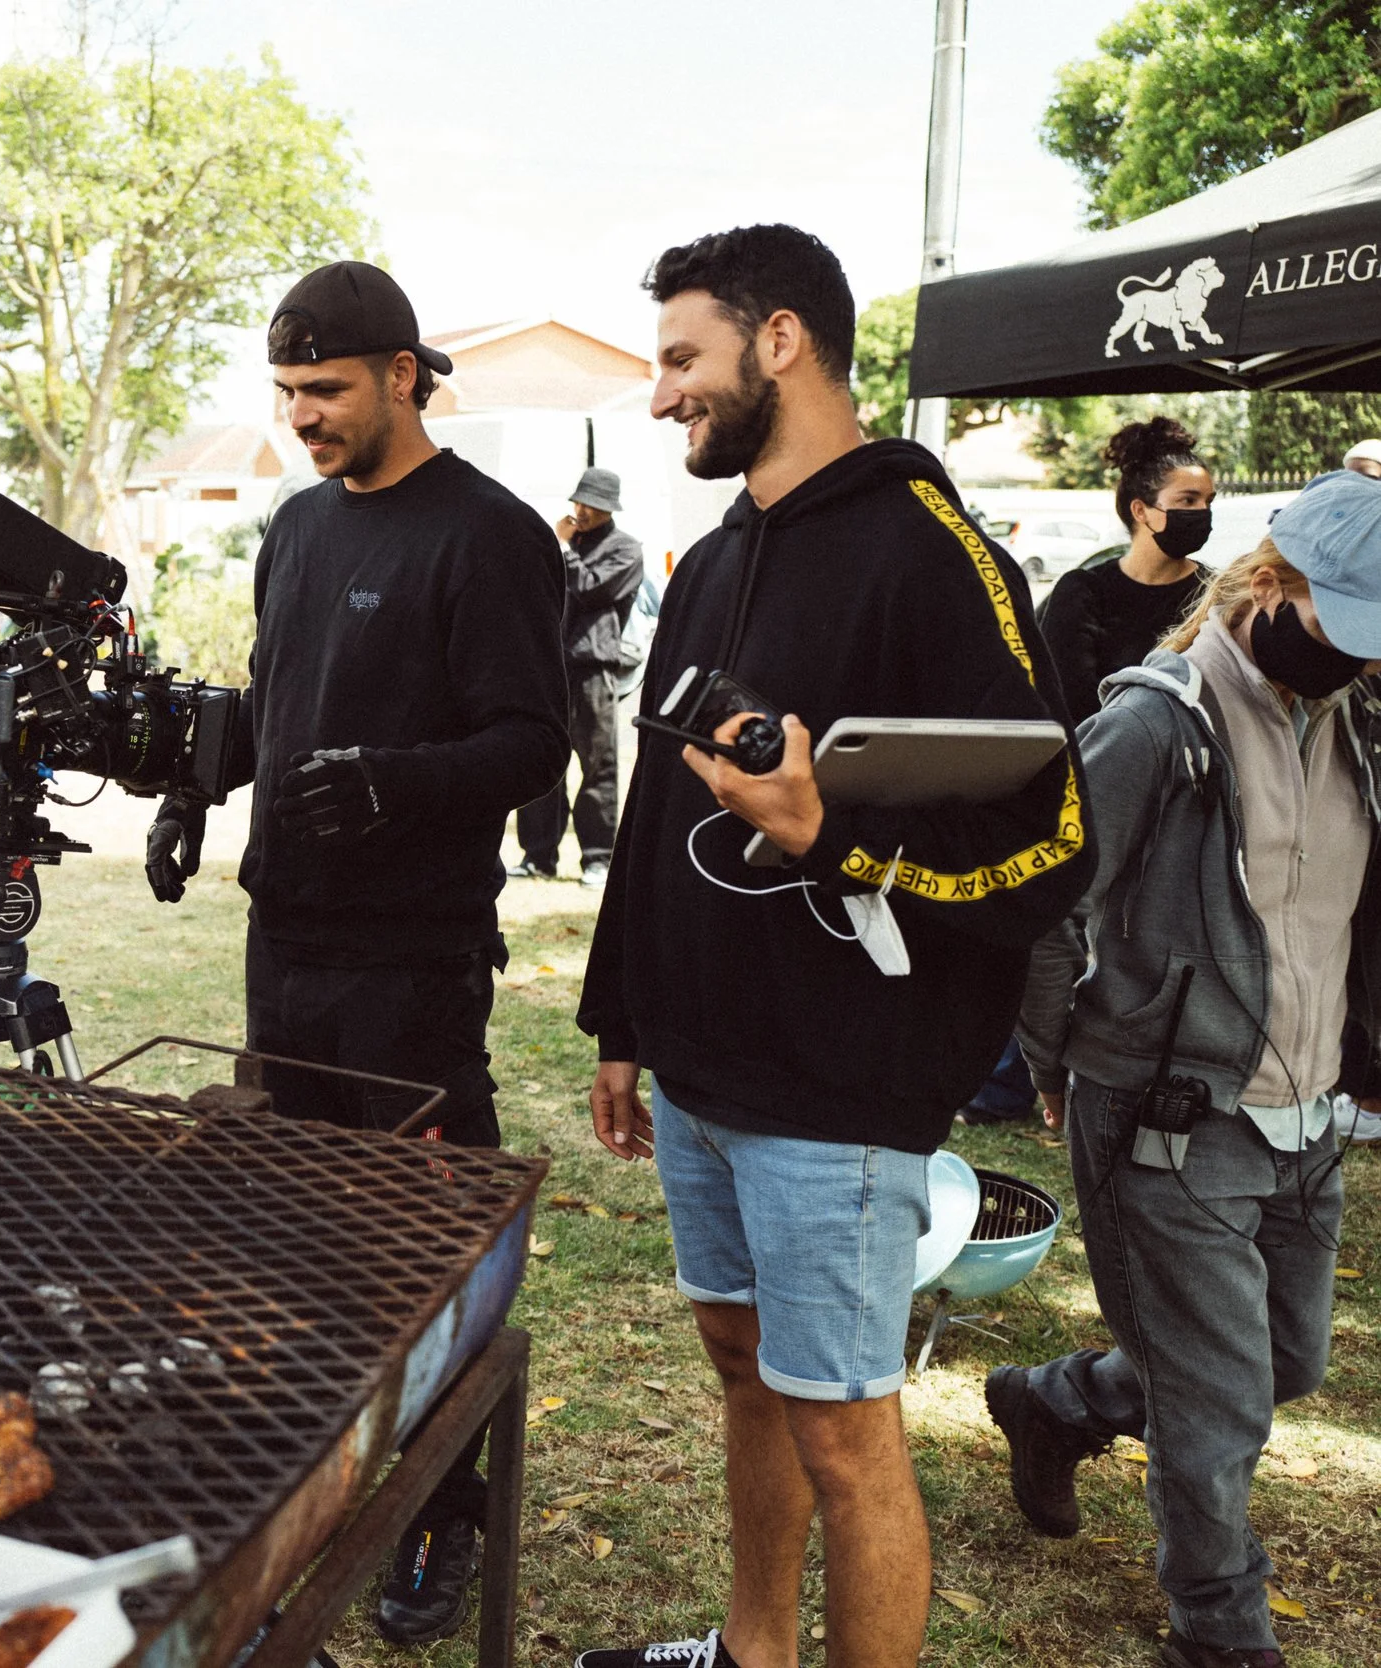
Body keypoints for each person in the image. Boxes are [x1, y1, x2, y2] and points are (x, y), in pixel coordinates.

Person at [573, 224, 1092, 1668]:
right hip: (703, 1074)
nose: (665, 394)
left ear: (780, 339)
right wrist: (625, 1023)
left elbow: (1057, 842)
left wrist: (835, 840)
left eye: (684, 359)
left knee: (848, 1431)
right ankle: (752, 1655)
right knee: (747, 1378)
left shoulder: (938, 554)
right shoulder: (714, 556)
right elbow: (659, 826)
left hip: (844, 1089)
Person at [146, 258, 566, 1646]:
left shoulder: (490, 534)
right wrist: (193, 795)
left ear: (405, 375)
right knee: (289, 1246)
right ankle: (309, 1489)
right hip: (290, 945)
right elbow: (274, 696)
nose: (303, 417)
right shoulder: (297, 526)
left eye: (324, 391)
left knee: (421, 1261)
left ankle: (444, 1522)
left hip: (413, 962)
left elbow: (530, 741)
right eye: (284, 393)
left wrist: (397, 783)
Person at [991, 473, 1381, 1668]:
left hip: (1308, 1114)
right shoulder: (1155, 724)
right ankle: (1219, 1633)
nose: (1355, 661)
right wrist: (1058, 1058)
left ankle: (1059, 1401)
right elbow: (1051, 902)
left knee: (1284, 1363)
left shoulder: (1355, 719)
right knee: (1219, 1415)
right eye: (1340, 631)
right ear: (1268, 585)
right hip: (1170, 1115)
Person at [1035, 417, 1214, 727]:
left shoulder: (1215, 592)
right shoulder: (1083, 593)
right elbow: (1066, 704)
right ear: (1140, 510)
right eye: (1188, 499)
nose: (1203, 512)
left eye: (1208, 501)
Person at [514, 467, 642, 886]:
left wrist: (564, 550)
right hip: (551, 665)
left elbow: (591, 590)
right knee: (540, 759)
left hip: (593, 667)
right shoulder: (565, 546)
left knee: (597, 764)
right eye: (578, 501)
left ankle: (597, 857)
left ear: (608, 509)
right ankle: (538, 856)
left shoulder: (626, 550)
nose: (580, 510)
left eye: (590, 504)